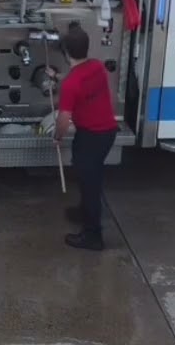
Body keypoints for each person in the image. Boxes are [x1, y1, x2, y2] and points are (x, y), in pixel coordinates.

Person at [48, 23, 119, 251]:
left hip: (92, 135)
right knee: (88, 173)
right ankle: (84, 212)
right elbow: (80, 86)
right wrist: (58, 77)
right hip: (107, 133)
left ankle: (93, 236)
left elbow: (63, 118)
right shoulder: (96, 67)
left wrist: (57, 137)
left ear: (66, 53)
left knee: (90, 184)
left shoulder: (72, 84)